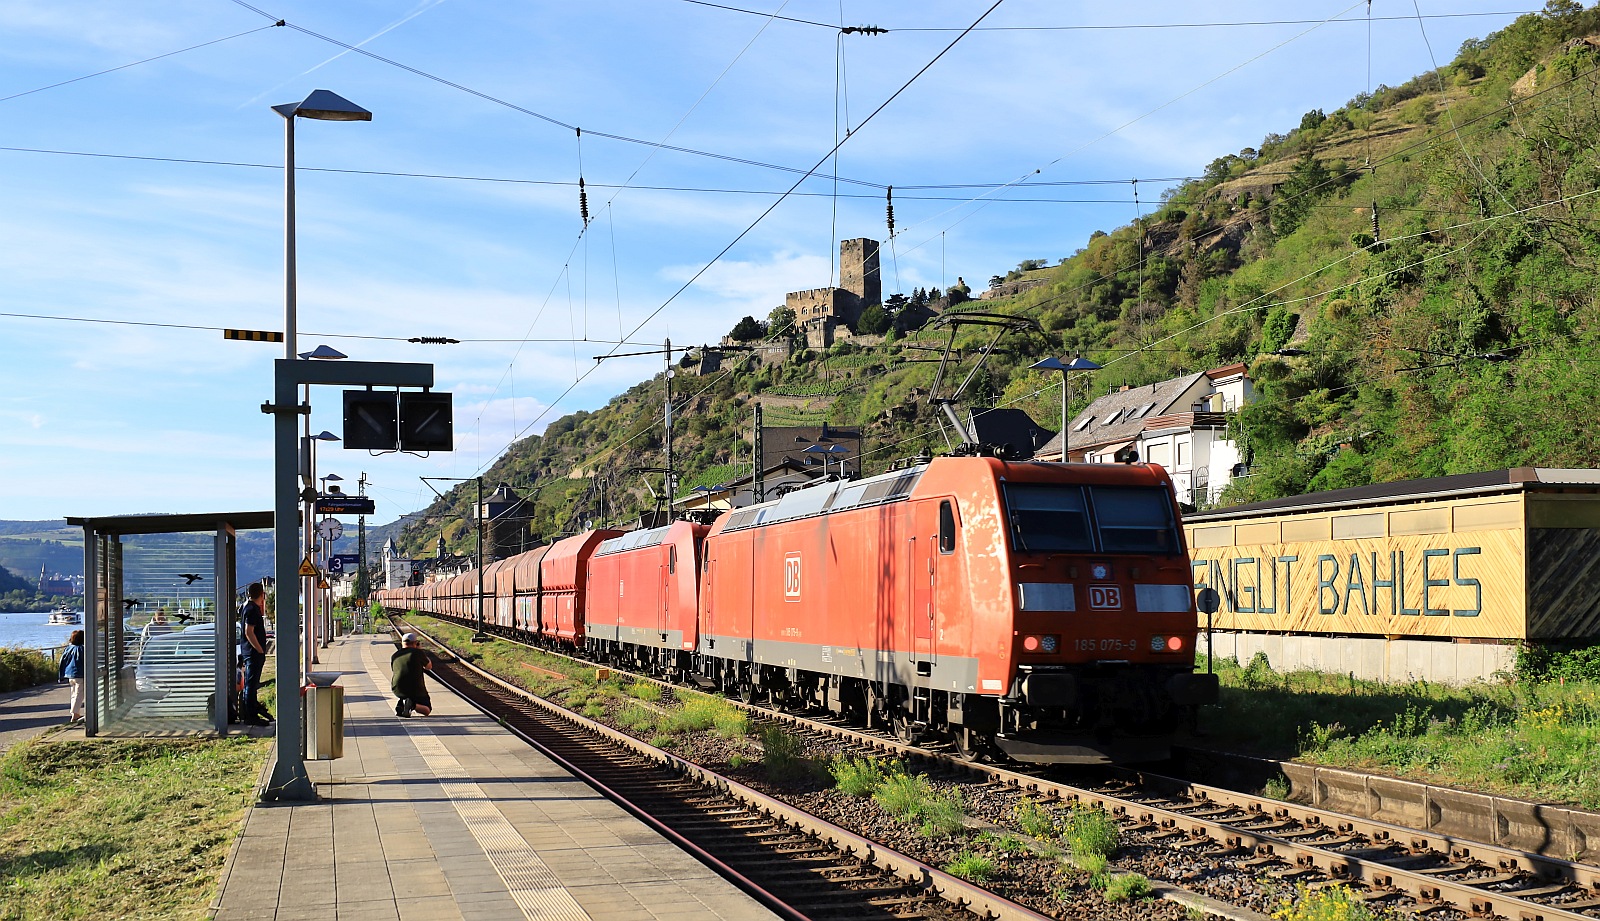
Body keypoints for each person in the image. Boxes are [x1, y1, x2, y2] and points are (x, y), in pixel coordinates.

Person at [239, 583, 272, 726]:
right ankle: (250, 716)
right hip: (253, 653)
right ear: (262, 594)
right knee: (251, 685)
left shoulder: (248, 607)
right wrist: (259, 649)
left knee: (251, 684)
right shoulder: (252, 609)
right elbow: (249, 632)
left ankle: (251, 712)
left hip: (250, 652)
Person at [390, 632, 433, 717]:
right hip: (416, 689)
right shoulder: (417, 652)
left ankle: (402, 703)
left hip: (397, 689)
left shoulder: (394, 655)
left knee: (407, 693)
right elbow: (429, 667)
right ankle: (412, 705)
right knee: (427, 710)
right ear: (415, 643)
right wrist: (420, 650)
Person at [59, 629, 85, 722]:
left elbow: (62, 661)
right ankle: (75, 714)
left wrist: (61, 675)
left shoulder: (69, 648)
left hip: (70, 674)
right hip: (80, 674)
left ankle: (74, 712)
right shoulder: (82, 649)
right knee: (79, 694)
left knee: (74, 694)